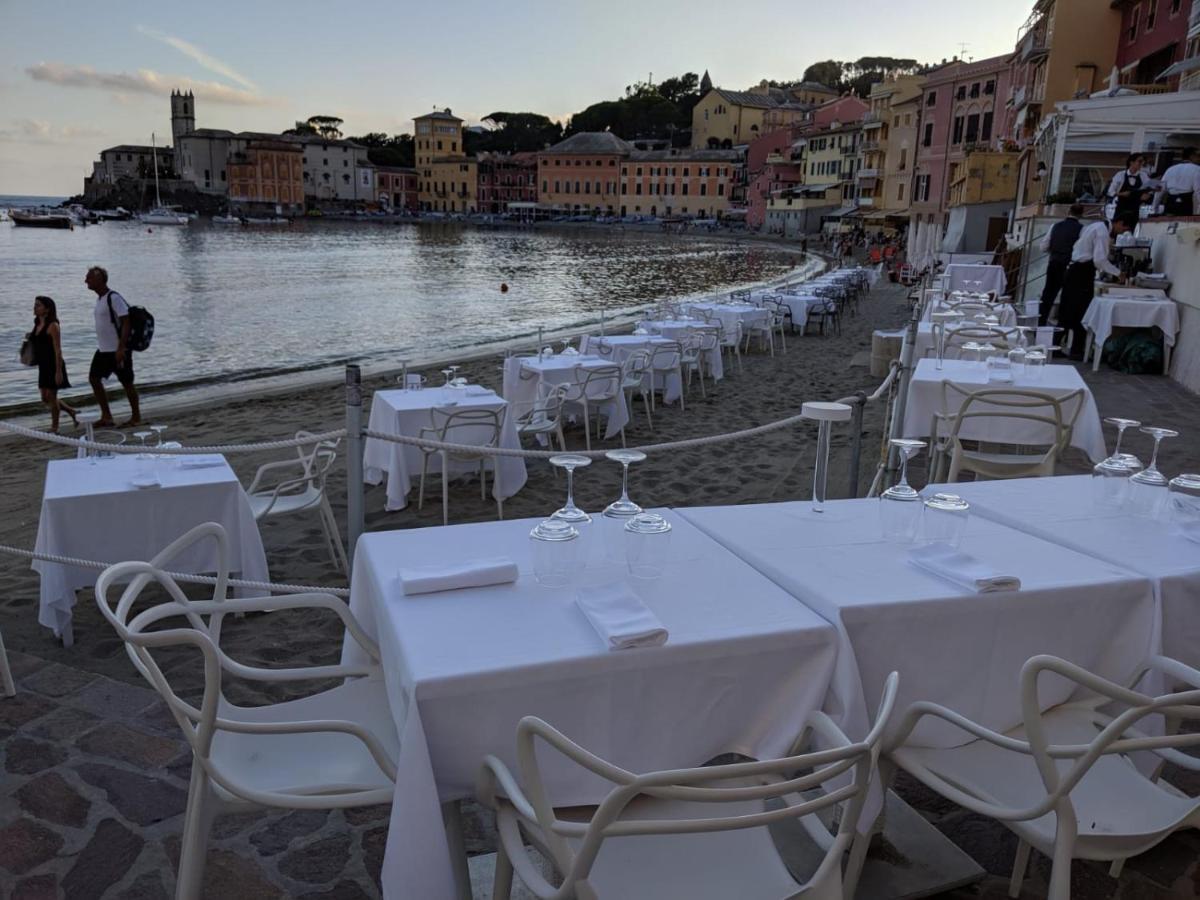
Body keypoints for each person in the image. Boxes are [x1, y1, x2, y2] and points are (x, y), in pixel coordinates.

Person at [1057, 211, 1136, 359]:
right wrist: (1118, 273)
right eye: (1124, 229)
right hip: (1081, 272)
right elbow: (1099, 260)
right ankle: (1075, 350)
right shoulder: (1102, 232)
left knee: (1069, 309)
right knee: (1081, 311)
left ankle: (1060, 346)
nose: (1122, 232)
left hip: (1075, 269)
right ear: (1120, 223)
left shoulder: (1095, 226)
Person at [85, 265, 141, 427]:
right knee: (94, 379)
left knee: (127, 382)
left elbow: (126, 322)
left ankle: (136, 417)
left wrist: (121, 348)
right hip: (103, 349)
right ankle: (107, 416)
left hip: (117, 349)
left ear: (99, 279)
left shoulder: (113, 297)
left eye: (89, 277)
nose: (85, 280)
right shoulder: (100, 299)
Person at [30, 296, 79, 433]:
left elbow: (58, 350)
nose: (35, 307)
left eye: (38, 305)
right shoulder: (37, 324)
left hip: (53, 364)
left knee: (52, 397)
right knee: (45, 398)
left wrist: (59, 371)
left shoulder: (53, 326)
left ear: (47, 309)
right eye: (35, 305)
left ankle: (55, 427)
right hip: (43, 365)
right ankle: (72, 411)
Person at [1037, 203, 1085, 326]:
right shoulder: (1082, 229)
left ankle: (1041, 323)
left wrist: (1054, 251)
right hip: (1070, 266)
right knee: (1067, 297)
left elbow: (1043, 247)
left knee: (1048, 294)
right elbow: (1080, 250)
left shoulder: (1055, 226)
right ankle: (1061, 327)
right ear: (1081, 214)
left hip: (1054, 262)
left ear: (1068, 211)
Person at [1106, 153, 1154, 228]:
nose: (1142, 164)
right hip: (1121, 208)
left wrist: (1147, 195)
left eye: (1143, 162)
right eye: (1140, 161)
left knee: (1132, 230)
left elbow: (1150, 189)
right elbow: (1110, 192)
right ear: (1131, 162)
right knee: (1117, 230)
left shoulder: (1143, 176)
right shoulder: (1120, 175)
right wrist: (1121, 194)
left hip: (1135, 209)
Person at [1156, 147, 1200, 217]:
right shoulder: (1197, 169)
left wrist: (1155, 208)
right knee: (1184, 227)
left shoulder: (1170, 169)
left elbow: (1160, 190)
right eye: (1198, 156)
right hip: (1185, 204)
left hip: (1170, 204)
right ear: (1192, 156)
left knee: (1168, 226)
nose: (1199, 159)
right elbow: (1198, 191)